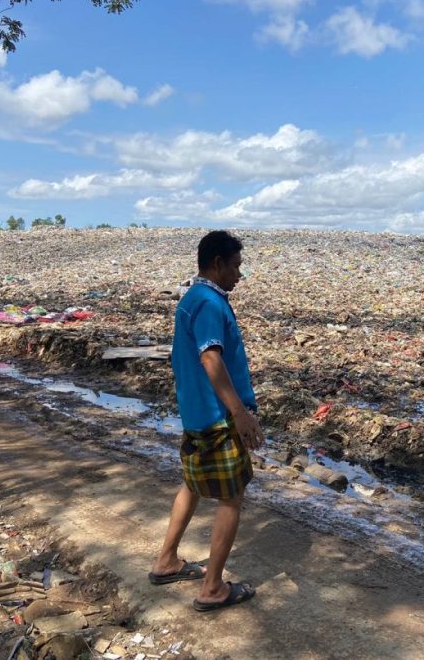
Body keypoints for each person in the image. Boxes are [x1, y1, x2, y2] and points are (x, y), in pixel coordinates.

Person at [148, 229, 264, 612]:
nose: (238, 276)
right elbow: (211, 358)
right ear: (217, 264)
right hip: (218, 418)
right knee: (231, 498)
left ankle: (167, 561)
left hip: (195, 414)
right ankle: (213, 588)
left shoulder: (191, 299)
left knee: (192, 485)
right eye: (235, 267)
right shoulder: (211, 303)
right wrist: (240, 413)